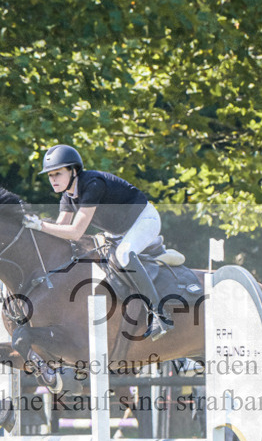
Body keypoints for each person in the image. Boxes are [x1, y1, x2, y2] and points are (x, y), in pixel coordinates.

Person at [24, 144, 171, 340]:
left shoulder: (93, 184)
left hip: (144, 220)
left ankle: (160, 314)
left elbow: (75, 232)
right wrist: (30, 230)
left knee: (123, 255)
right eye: (50, 176)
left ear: (73, 171)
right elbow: (59, 231)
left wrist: (40, 225)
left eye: (57, 174)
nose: (53, 180)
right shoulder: (68, 196)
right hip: (118, 231)